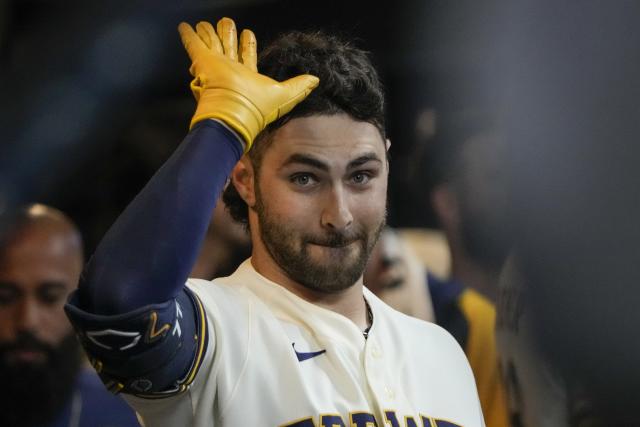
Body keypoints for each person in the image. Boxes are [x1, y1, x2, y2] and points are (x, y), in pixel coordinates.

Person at [64, 18, 485, 426]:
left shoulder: (440, 352)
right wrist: (221, 132)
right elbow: (118, 303)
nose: (339, 215)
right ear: (244, 180)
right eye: (305, 178)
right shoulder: (217, 331)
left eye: (361, 176)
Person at [0, 204, 140, 427]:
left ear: (80, 298)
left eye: (49, 297)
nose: (27, 321)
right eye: (5, 298)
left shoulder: (132, 416)